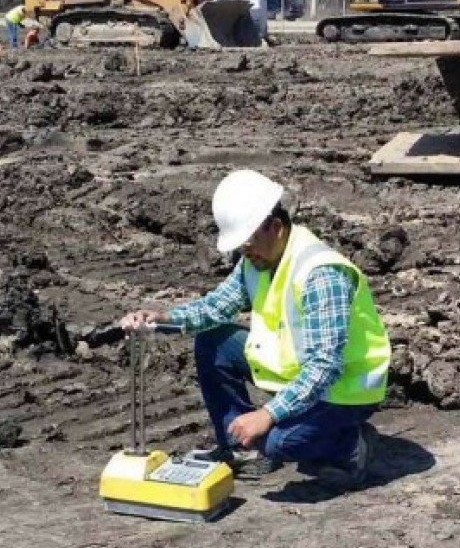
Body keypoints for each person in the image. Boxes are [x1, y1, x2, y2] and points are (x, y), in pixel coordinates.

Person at [120, 170, 391, 490]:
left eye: (248, 245)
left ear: (275, 228)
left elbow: (325, 365)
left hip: (345, 390)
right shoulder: (258, 258)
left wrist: (267, 414)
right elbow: (215, 307)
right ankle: (242, 449)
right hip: (301, 375)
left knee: (279, 442)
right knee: (214, 340)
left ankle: (350, 447)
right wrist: (164, 319)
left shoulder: (321, 274)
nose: (245, 255)